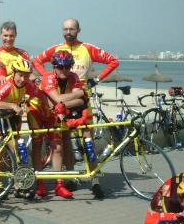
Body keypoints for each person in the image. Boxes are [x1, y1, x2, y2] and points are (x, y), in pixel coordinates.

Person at [32, 18, 119, 198]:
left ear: (78, 30)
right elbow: (36, 61)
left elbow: (113, 61)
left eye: (72, 29)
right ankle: (70, 178)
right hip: (59, 99)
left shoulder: (87, 48)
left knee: (88, 140)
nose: (68, 32)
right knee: (65, 139)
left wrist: (96, 79)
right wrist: (47, 77)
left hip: (81, 98)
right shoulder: (56, 49)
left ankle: (95, 181)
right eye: (65, 29)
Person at [0, 59, 54, 199]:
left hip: (7, 115)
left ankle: (19, 186)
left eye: (26, 75)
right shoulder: (7, 85)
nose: (22, 79)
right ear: (13, 73)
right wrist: (13, 106)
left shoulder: (27, 84)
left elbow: (40, 95)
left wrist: (53, 107)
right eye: (20, 75)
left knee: (16, 149)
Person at [39, 51, 88, 199]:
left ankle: (70, 177)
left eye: (68, 67)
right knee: (55, 147)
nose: (64, 70)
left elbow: (80, 100)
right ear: (54, 66)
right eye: (60, 67)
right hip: (43, 114)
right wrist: (74, 96)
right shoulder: (48, 77)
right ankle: (52, 183)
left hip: (61, 112)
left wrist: (61, 104)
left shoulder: (73, 76)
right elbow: (59, 98)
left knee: (67, 142)